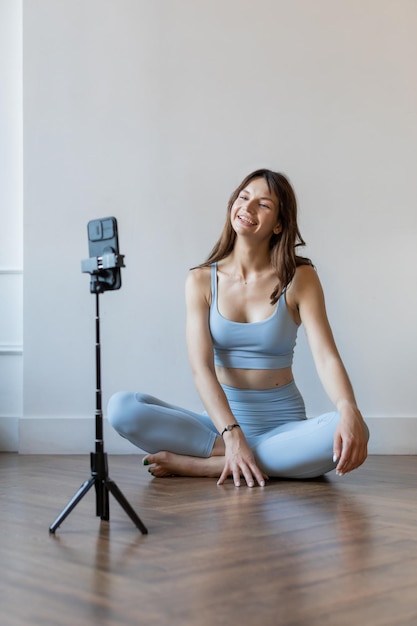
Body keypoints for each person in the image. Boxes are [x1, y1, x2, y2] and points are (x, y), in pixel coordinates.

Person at [108, 169, 369, 488]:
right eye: (244, 197)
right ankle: (240, 455)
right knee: (123, 408)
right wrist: (232, 435)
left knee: (349, 429)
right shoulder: (201, 280)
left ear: (278, 224)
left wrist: (348, 408)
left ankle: (204, 466)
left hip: (282, 427)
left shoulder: (300, 278)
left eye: (264, 204)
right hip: (218, 428)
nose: (248, 207)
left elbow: (326, 357)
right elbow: (201, 369)